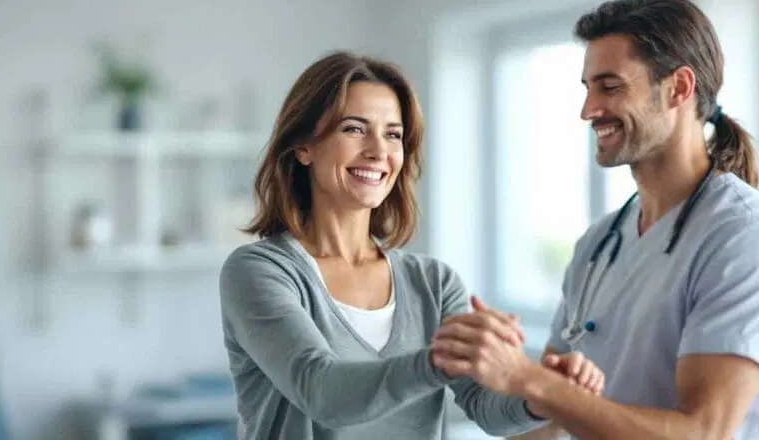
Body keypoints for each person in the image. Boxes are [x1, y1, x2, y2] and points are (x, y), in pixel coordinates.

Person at [218, 51, 604, 440]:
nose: (378, 151)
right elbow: (321, 391)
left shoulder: (433, 283)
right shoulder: (259, 271)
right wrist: (440, 361)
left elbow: (487, 409)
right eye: (354, 129)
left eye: (393, 134)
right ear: (304, 146)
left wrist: (542, 395)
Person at [430, 0, 759, 439]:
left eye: (610, 87)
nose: (588, 111)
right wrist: (498, 369)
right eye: (587, 89)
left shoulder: (740, 233)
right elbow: (554, 421)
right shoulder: (598, 244)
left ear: (679, 88)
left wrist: (527, 378)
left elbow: (704, 432)